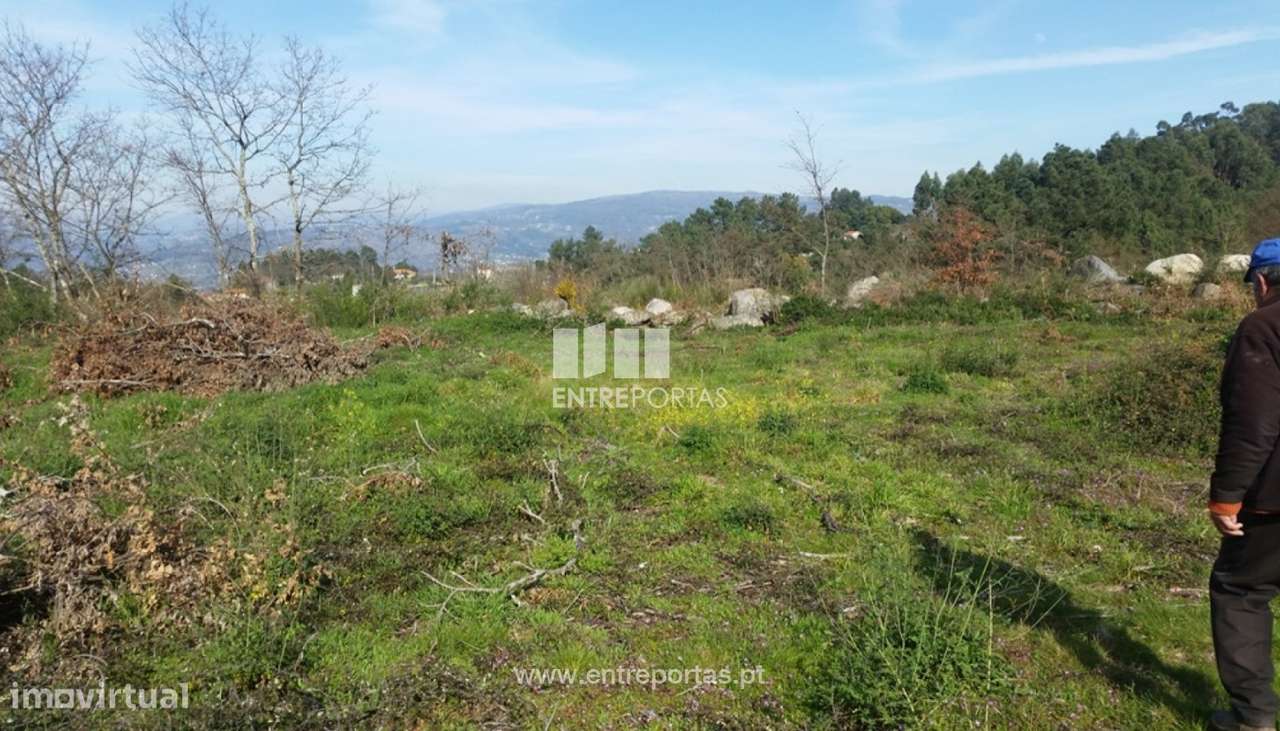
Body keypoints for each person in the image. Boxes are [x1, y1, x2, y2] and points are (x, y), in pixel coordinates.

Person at [1209, 238, 1280, 731]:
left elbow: (1253, 424)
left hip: (1273, 500)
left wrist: (1226, 495)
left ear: (1261, 282)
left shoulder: (1262, 327)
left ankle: (1252, 718)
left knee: (1241, 590)